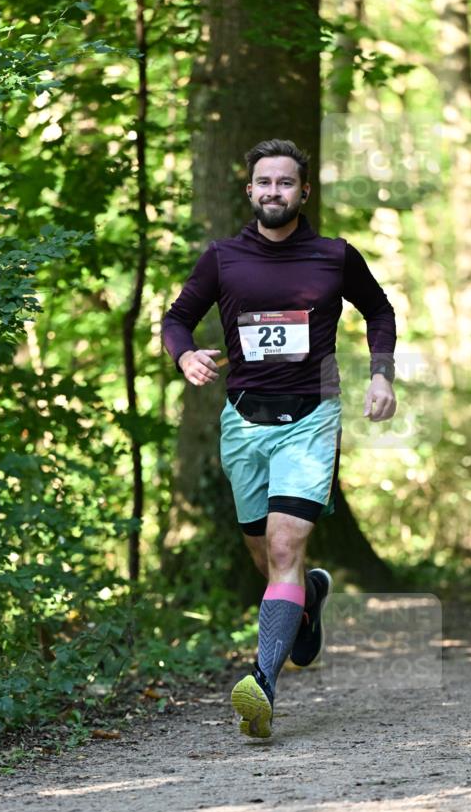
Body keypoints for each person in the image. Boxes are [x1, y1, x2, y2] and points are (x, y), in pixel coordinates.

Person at [162, 138, 397, 740]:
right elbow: (176, 319)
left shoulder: (333, 256)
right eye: (264, 183)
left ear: (303, 191)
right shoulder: (222, 258)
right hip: (243, 420)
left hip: (312, 416)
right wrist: (185, 357)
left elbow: (379, 310)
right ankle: (309, 601)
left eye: (285, 183)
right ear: (250, 191)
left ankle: (262, 682)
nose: (274, 192)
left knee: (286, 548)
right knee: (267, 558)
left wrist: (380, 375)